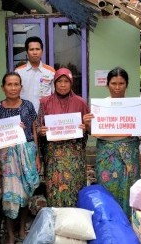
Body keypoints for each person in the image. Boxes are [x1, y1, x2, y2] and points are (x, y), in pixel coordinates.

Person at [83, 67, 141, 217]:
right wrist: (87, 124)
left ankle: (128, 225)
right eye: (114, 83)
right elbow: (93, 132)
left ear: (127, 84)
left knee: (129, 189)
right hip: (107, 154)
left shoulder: (135, 107)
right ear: (107, 85)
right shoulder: (100, 107)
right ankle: (109, 225)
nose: (117, 87)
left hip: (129, 153)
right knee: (107, 189)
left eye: (121, 83)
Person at [0, 72, 40, 244]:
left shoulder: (28, 106)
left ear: (21, 87)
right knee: (9, 196)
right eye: (9, 84)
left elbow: (34, 131)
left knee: (26, 192)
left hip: (27, 152)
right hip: (6, 156)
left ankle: (21, 228)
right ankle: (10, 234)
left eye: (16, 84)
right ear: (2, 87)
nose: (13, 88)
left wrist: (37, 156)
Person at [37, 68, 89, 207]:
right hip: (54, 156)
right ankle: (57, 220)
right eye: (59, 81)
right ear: (54, 83)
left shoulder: (80, 102)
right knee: (55, 187)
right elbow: (38, 125)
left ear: (71, 83)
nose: (63, 85)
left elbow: (89, 127)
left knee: (75, 185)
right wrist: (40, 130)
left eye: (66, 81)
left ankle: (76, 222)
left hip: (74, 156)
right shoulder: (44, 102)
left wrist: (86, 127)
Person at [15, 36, 55, 113]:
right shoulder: (18, 72)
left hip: (45, 114)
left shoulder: (50, 71)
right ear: (27, 52)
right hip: (24, 115)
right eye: (31, 49)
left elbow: (55, 95)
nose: (35, 52)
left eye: (37, 49)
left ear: (42, 51)